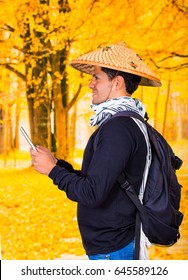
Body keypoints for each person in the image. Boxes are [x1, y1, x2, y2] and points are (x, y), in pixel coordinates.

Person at [30, 42, 161, 260]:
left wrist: (53, 170)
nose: (90, 84)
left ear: (116, 82)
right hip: (115, 245)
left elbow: (92, 193)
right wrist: (57, 164)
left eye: (96, 77)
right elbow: (100, 181)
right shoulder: (126, 122)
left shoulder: (118, 128)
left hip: (113, 250)